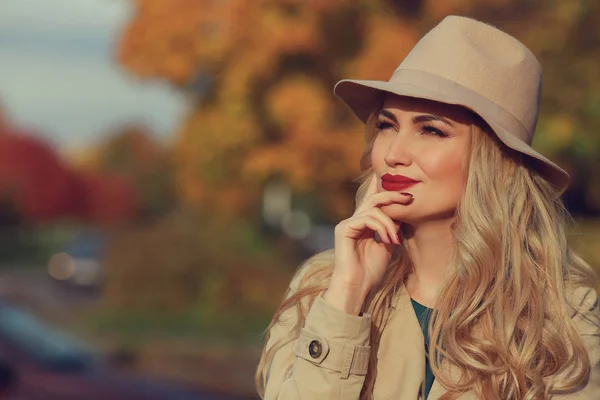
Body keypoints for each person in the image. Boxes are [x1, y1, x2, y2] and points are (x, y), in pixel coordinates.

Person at [255, 15, 600, 399]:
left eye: (431, 130)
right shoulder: (320, 286)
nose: (394, 154)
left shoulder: (560, 310)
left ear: (494, 161)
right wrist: (347, 298)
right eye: (387, 125)